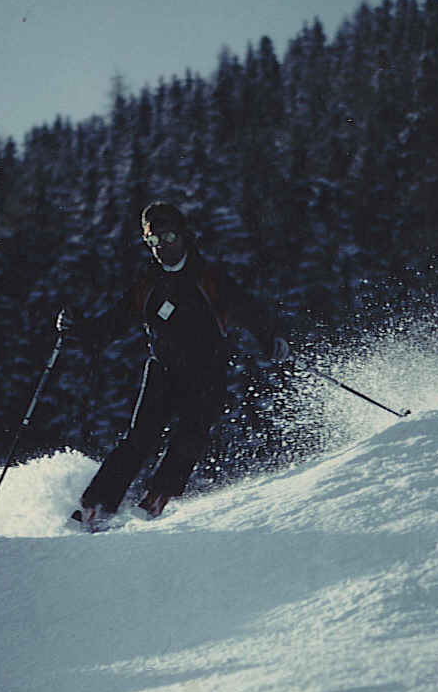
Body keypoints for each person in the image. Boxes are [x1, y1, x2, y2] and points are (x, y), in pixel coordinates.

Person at [59, 200, 289, 529]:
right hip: (163, 370)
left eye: (167, 239)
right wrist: (77, 329)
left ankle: (156, 498)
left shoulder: (208, 277)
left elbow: (249, 310)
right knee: (139, 437)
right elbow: (112, 324)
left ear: (183, 236)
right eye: (152, 241)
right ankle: (96, 506)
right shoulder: (147, 285)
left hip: (207, 369)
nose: (160, 248)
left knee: (190, 435)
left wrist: (272, 338)